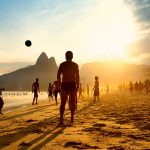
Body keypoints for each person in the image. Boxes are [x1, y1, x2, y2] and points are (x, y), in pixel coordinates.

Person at [57, 51, 79, 125]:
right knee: (72, 102)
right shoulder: (75, 65)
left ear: (65, 56)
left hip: (64, 84)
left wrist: (60, 84)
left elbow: (58, 75)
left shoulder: (62, 64)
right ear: (72, 56)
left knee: (63, 103)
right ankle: (72, 118)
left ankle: (61, 119)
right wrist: (77, 85)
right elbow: (77, 76)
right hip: (72, 84)